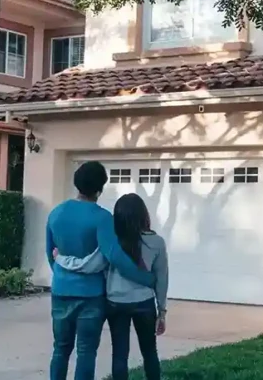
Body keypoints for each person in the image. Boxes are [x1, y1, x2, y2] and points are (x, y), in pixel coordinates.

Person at [47, 162, 155, 380]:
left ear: (76, 184)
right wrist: (147, 278)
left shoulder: (56, 213)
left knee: (60, 349)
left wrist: (64, 277)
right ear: (100, 188)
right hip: (91, 296)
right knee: (86, 352)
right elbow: (115, 256)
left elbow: (51, 254)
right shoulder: (102, 218)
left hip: (60, 292)